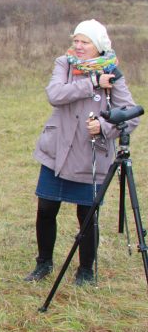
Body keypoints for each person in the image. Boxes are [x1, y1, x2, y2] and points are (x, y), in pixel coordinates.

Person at [26, 19, 139, 286]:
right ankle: (43, 263)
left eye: (84, 42)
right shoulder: (64, 64)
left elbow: (130, 115)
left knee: (87, 215)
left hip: (91, 156)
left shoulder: (112, 72)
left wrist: (103, 127)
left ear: (98, 45)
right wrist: (92, 82)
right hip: (56, 151)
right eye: (75, 40)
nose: (78, 46)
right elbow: (55, 94)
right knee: (46, 209)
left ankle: (85, 270)